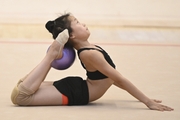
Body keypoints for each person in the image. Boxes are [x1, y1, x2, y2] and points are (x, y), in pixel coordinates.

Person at [11, 13, 173, 111]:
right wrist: (147, 102)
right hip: (78, 93)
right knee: (21, 97)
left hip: (78, 88)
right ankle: (52, 55)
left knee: (22, 89)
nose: (84, 24)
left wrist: (141, 98)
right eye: (78, 23)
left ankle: (53, 54)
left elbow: (110, 78)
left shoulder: (91, 49)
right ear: (72, 36)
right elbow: (118, 78)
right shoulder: (89, 54)